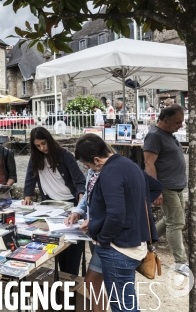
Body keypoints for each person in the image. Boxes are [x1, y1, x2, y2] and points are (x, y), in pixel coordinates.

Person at [74, 134, 158, 312]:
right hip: (131, 243)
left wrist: (103, 240)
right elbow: (154, 187)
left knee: (122, 306)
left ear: (97, 159)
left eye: (88, 165)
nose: (89, 169)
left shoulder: (109, 172)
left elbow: (116, 215)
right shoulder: (128, 164)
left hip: (118, 248)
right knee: (126, 303)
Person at [22, 126, 86, 275]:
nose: (42, 148)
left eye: (44, 143)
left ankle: (71, 277)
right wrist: (28, 196)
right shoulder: (35, 158)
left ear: (49, 140)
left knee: (73, 245)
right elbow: (30, 177)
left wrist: (81, 197)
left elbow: (79, 180)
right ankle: (63, 277)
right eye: (38, 146)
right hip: (50, 205)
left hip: (71, 203)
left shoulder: (65, 156)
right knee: (57, 244)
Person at [144, 104, 189, 275]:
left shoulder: (168, 134)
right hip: (166, 187)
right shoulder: (154, 136)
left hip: (176, 186)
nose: (181, 125)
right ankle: (180, 262)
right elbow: (149, 164)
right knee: (176, 223)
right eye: (178, 122)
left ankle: (146, 240)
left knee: (171, 219)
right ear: (165, 120)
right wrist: (156, 190)